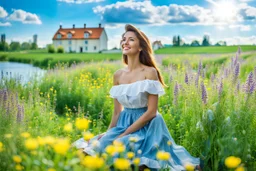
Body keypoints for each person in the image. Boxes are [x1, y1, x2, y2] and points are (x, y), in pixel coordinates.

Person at [73, 24, 200, 171]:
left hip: (148, 125)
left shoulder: (149, 72)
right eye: (123, 39)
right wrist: (108, 134)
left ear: (140, 47)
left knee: (124, 151)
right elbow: (116, 112)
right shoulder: (118, 75)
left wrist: (124, 135)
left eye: (131, 39)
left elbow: (151, 112)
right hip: (124, 123)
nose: (125, 42)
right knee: (93, 148)